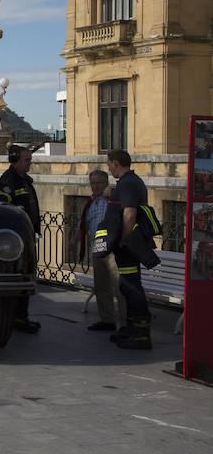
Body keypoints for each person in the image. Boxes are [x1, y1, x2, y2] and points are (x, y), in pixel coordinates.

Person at [105, 149, 153, 350]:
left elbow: (129, 214)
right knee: (128, 284)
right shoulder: (131, 182)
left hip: (128, 244)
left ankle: (141, 333)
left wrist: (123, 240)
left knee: (131, 286)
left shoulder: (127, 183)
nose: (109, 168)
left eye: (109, 165)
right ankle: (132, 328)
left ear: (116, 163)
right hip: (131, 243)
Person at [0, 144, 41, 334]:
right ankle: (18, 317)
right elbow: (2, 207)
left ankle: (21, 316)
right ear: (15, 160)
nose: (30, 164)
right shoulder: (8, 180)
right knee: (22, 275)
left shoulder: (23, 180)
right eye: (26, 160)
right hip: (18, 240)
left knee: (28, 275)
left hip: (27, 235)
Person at [77, 169, 125, 332]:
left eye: (99, 183)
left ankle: (126, 322)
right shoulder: (91, 203)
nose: (95, 186)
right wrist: (74, 240)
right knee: (101, 287)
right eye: (93, 183)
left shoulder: (111, 198)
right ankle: (107, 320)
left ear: (106, 183)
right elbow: (85, 225)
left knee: (119, 287)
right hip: (97, 249)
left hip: (112, 249)